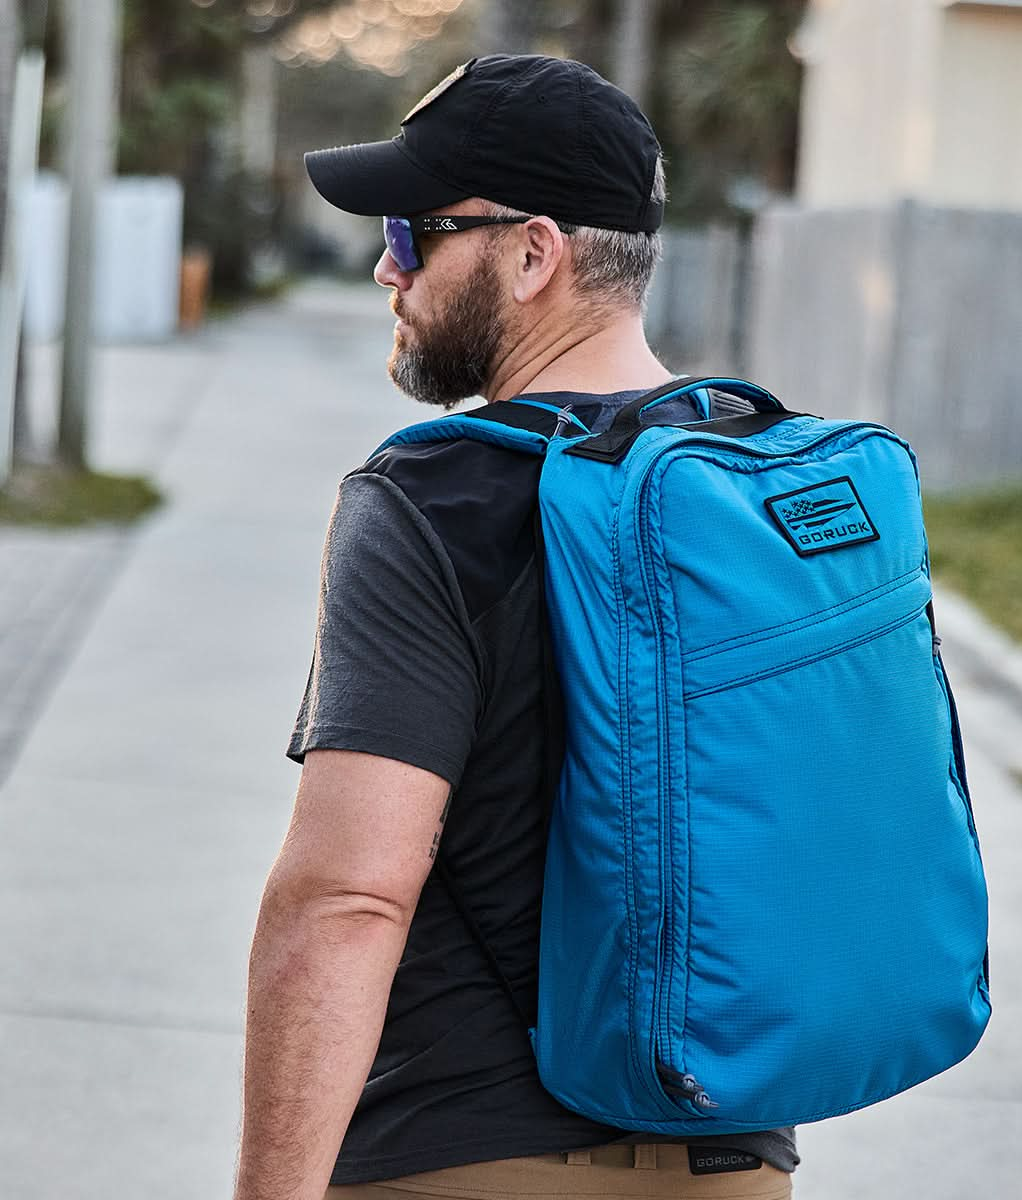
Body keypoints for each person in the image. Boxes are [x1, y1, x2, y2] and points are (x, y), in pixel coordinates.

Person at [234, 54, 799, 1200]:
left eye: (412, 233)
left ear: (534, 252)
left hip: (465, 1155)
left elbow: (350, 896)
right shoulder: (767, 484)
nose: (387, 273)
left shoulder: (431, 499)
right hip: (736, 1159)